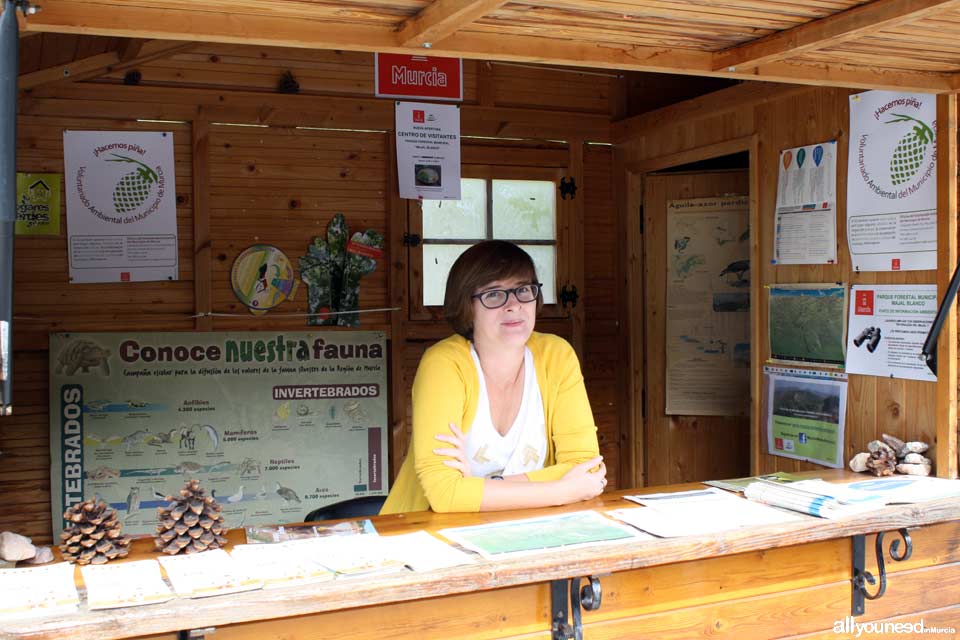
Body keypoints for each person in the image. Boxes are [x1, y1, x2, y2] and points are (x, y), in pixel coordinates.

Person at [381, 240, 606, 514]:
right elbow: (444, 494)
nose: (514, 305)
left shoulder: (556, 356)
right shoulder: (443, 364)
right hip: (422, 536)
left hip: (527, 532)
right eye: (494, 294)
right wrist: (561, 490)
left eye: (523, 290)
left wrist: (482, 486)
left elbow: (587, 468)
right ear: (467, 306)